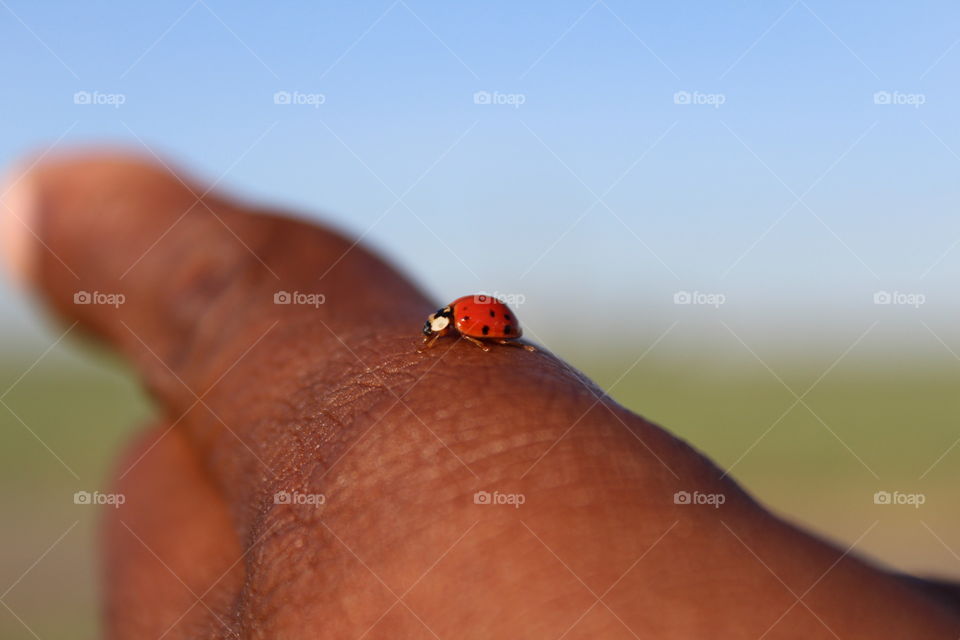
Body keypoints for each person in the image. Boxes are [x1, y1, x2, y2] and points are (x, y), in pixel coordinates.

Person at [3, 152, 958, 638]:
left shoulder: (469, 332)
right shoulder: (464, 325)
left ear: (461, 328)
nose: (452, 335)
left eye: (453, 332)